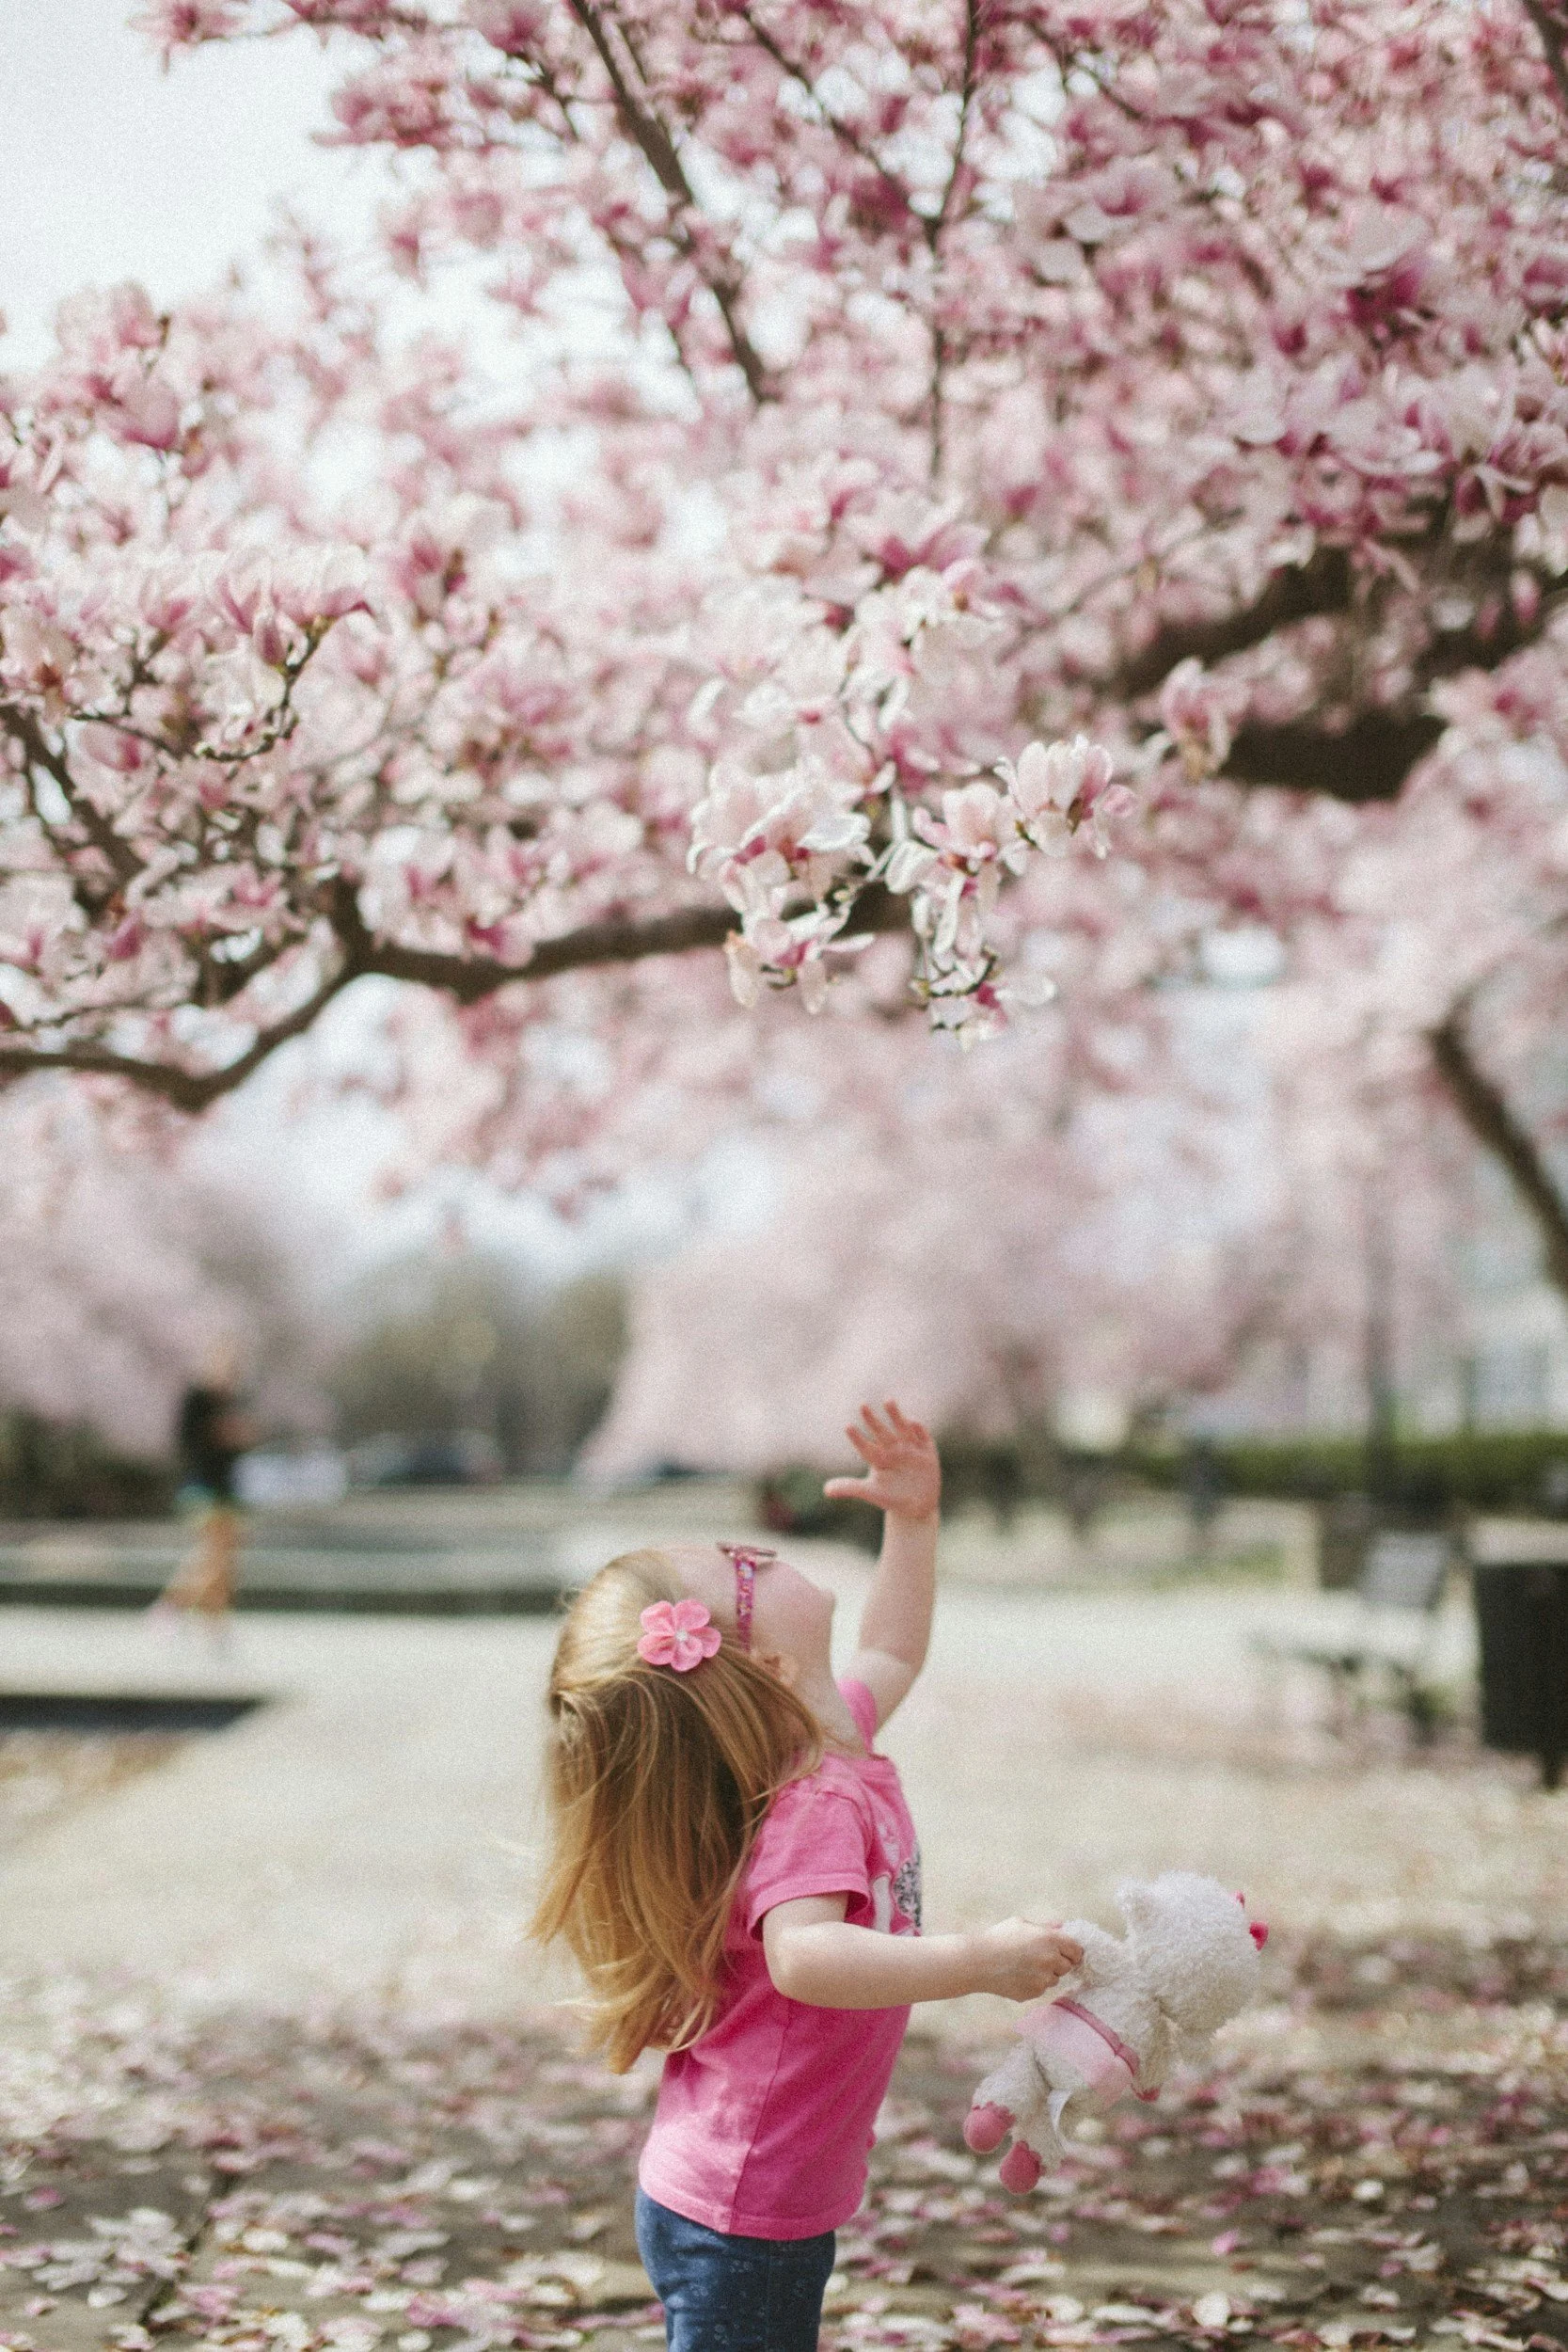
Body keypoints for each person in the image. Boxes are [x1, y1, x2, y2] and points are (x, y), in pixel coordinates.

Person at [531, 1399, 1084, 2352]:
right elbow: (805, 1956)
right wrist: (977, 1960)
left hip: (744, 2190)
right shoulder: (811, 1800)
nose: (759, 1548)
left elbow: (896, 1646)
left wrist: (910, 1521)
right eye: (744, 1569)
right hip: (743, 2210)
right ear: (774, 1665)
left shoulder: (834, 1733)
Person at [154, 1366, 254, 1622]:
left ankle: (213, 1623)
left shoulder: (234, 1402)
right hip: (202, 1488)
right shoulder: (197, 1401)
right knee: (215, 1559)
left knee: (224, 1563)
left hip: (227, 1492)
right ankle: (170, 1607)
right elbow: (188, 1441)